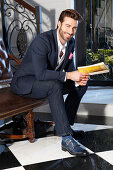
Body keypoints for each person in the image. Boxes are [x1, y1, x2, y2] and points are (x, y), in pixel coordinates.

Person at [11, 9, 89, 156]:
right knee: (55, 85)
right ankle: (66, 139)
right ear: (59, 24)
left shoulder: (70, 42)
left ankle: (67, 127)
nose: (71, 31)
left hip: (46, 81)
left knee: (81, 85)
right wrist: (69, 75)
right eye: (67, 26)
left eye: (74, 28)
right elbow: (40, 74)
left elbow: (69, 69)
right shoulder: (43, 41)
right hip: (25, 82)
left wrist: (78, 77)